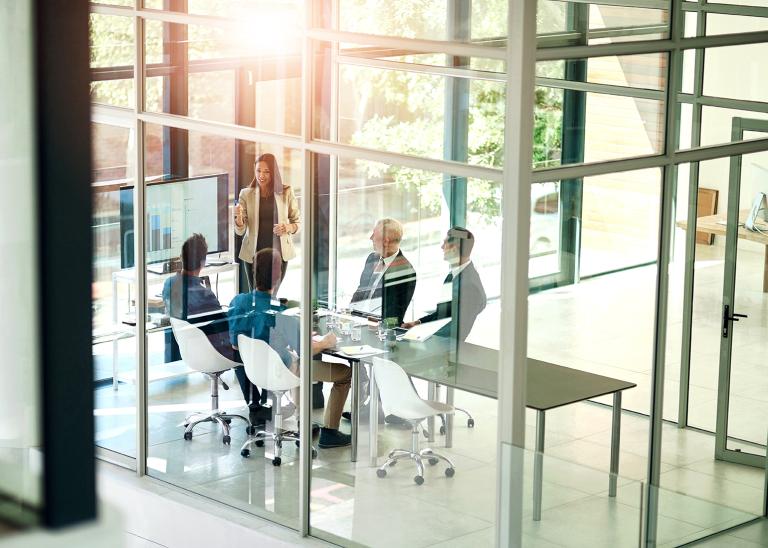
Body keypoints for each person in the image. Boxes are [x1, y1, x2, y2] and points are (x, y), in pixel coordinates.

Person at [229, 248, 352, 448]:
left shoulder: (238, 302)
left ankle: (303, 423)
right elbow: (306, 350)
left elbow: (235, 344)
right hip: (280, 373)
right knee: (343, 373)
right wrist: (326, 342)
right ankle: (329, 432)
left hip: (254, 372)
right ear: (278, 277)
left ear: (254, 272)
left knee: (295, 362)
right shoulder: (282, 314)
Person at [402, 227, 487, 342]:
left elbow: (456, 332)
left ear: (454, 248)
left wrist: (420, 338)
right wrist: (417, 323)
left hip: (444, 349)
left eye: (445, 243)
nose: (442, 247)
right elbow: (443, 314)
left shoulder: (469, 286)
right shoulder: (454, 274)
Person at [234, 153, 299, 293]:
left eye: (266, 172)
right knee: (255, 295)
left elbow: (297, 223)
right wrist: (239, 221)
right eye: (258, 171)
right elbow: (240, 231)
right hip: (254, 254)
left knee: (272, 296)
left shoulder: (286, 192)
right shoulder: (245, 194)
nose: (261, 175)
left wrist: (286, 227)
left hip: (278, 254)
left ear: (273, 172)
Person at [162, 233, 230, 362]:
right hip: (211, 354)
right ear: (203, 262)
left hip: (187, 350)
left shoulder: (168, 285)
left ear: (181, 257)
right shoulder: (206, 296)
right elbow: (224, 327)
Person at [349, 218, 416, 325]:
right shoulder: (372, 258)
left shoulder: (405, 272)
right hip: (358, 322)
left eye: (374, 234)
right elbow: (360, 291)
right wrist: (349, 313)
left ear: (385, 241)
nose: (370, 238)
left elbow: (395, 317)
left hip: (379, 329)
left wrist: (373, 324)